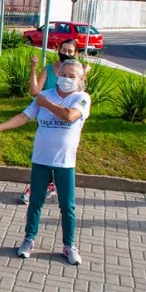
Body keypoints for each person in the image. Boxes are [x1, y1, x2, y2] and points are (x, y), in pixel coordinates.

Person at [0, 59, 91, 265]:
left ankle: (69, 245)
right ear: (57, 75)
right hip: (41, 159)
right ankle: (28, 239)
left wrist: (46, 104)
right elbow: (24, 116)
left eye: (72, 76)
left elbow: (70, 116)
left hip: (65, 162)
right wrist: (0, 127)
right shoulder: (45, 95)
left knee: (67, 206)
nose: (66, 79)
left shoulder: (81, 98)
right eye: (63, 74)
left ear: (80, 79)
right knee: (35, 202)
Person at [22, 39, 90, 204]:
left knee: (61, 156)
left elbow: (78, 96)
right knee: (44, 155)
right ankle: (40, 187)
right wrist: (33, 68)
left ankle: (52, 187)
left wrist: (84, 74)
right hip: (46, 116)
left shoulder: (78, 73)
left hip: (64, 121)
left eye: (70, 51)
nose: (66, 53)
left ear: (76, 53)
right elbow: (35, 91)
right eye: (63, 49)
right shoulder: (49, 69)